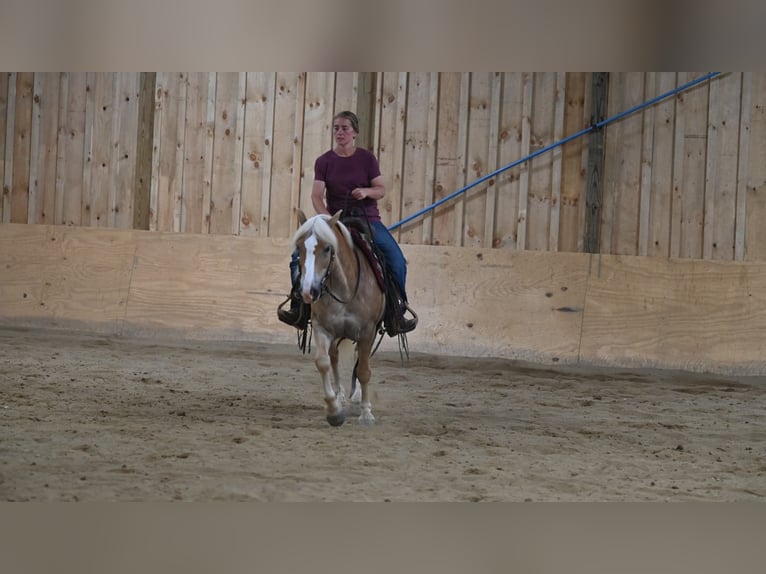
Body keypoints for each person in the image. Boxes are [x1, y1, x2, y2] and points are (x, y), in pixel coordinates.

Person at [278, 110, 418, 335]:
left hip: (367, 220)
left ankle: (396, 312)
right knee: (298, 256)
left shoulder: (367, 159)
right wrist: (327, 220)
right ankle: (298, 308)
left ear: (355, 132)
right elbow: (316, 195)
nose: (339, 132)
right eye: (336, 128)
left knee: (396, 260)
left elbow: (381, 190)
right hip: (337, 220)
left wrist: (366, 191)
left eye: (344, 128)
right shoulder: (324, 161)